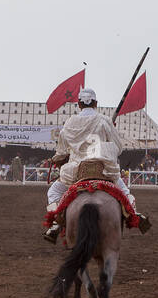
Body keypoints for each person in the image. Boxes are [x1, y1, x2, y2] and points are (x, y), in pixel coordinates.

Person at [43, 88, 148, 243]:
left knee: (53, 192)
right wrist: (109, 130)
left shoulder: (70, 123)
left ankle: (55, 224)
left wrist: (56, 158)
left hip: (75, 171)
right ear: (96, 103)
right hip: (103, 169)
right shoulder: (104, 120)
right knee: (124, 191)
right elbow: (118, 148)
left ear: (79, 104)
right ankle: (134, 214)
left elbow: (61, 151)